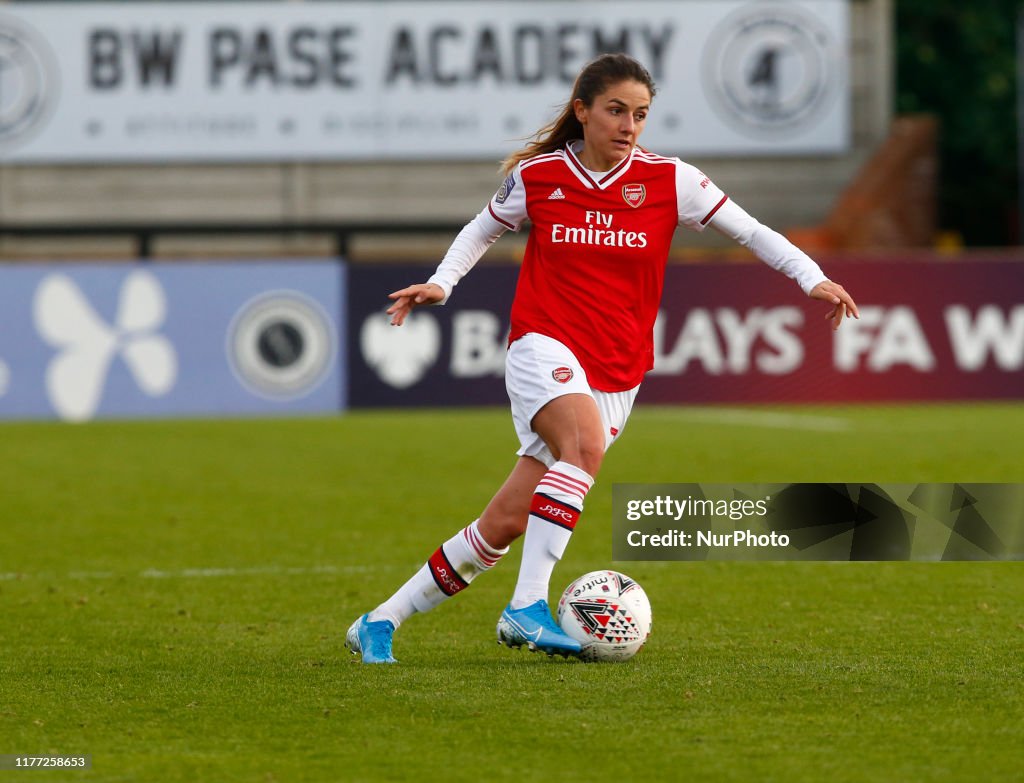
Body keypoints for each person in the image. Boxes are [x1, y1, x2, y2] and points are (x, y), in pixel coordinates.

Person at [346, 53, 859, 663]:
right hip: (543, 342)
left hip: (618, 369)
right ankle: (527, 607)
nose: (628, 126)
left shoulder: (673, 181)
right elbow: (483, 228)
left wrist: (812, 277)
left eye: (640, 115)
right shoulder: (540, 179)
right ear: (583, 110)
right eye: (616, 110)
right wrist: (443, 282)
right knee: (583, 446)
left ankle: (380, 620)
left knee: (507, 522)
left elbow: (750, 232)